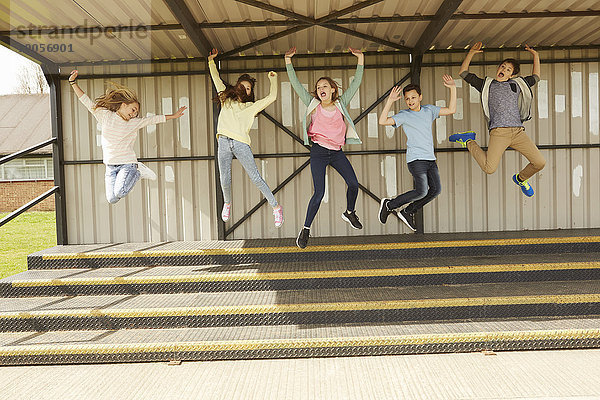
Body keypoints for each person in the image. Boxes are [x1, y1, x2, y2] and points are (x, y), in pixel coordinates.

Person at [285, 46, 364, 248]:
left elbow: (356, 84)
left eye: (325, 86)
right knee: (319, 193)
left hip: (336, 152)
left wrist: (361, 59)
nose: (322, 89)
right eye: (319, 87)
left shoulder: (341, 103)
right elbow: (296, 86)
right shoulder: (313, 104)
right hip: (319, 151)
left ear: (333, 90)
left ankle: (349, 212)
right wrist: (288, 62)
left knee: (353, 184)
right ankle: (305, 230)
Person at [68, 70, 186, 204]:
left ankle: (138, 171)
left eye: (136, 112)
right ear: (123, 105)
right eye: (133, 109)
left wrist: (173, 115)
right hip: (110, 166)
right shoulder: (105, 116)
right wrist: (72, 83)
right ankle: (137, 171)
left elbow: (153, 119)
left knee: (120, 192)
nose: (135, 114)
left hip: (127, 163)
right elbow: (86, 101)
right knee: (112, 199)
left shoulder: (134, 123)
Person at [448, 42, 545, 197]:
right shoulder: (487, 85)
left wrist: (536, 55)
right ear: (498, 68)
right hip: (499, 132)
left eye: (508, 70)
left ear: (511, 75)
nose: (503, 70)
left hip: (518, 132)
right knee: (489, 168)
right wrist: (471, 53)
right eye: (502, 67)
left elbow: (536, 77)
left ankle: (521, 179)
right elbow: (463, 73)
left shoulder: (517, 84)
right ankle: (468, 141)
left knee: (540, 162)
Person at [208, 49, 284, 227]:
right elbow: (216, 79)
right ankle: (227, 203)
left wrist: (273, 79)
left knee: (256, 177)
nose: (245, 89)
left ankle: (276, 207)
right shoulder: (226, 98)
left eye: (248, 88)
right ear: (236, 87)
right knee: (224, 178)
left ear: (250, 93)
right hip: (224, 142)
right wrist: (211, 61)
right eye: (242, 86)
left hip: (241, 143)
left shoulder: (252, 106)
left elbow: (272, 96)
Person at [378, 76, 457, 231]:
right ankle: (390, 204)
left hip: (430, 159)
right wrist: (390, 101)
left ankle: (408, 211)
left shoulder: (429, 110)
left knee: (436, 190)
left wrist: (453, 88)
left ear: (420, 97)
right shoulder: (404, 115)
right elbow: (382, 121)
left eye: (413, 97)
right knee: (421, 191)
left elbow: (452, 109)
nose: (410, 101)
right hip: (416, 159)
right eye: (407, 99)